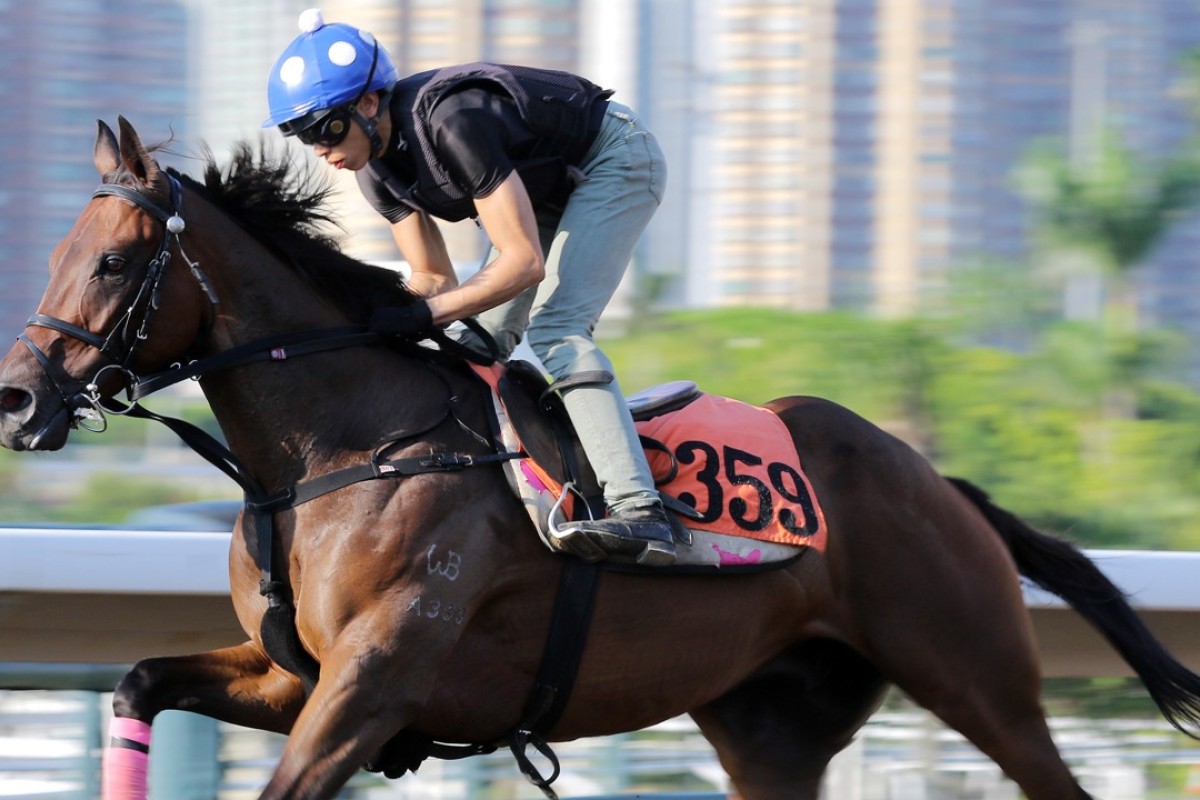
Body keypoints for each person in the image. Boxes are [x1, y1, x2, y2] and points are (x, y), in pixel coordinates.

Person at [264, 9, 676, 566]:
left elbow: (523, 262)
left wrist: (425, 316)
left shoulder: (452, 122)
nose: (318, 148)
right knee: (475, 341)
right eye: (301, 134)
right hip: (548, 194)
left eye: (325, 128)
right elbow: (434, 279)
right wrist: (374, 319)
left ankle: (639, 509)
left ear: (368, 103)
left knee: (557, 330)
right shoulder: (374, 173)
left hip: (613, 159)